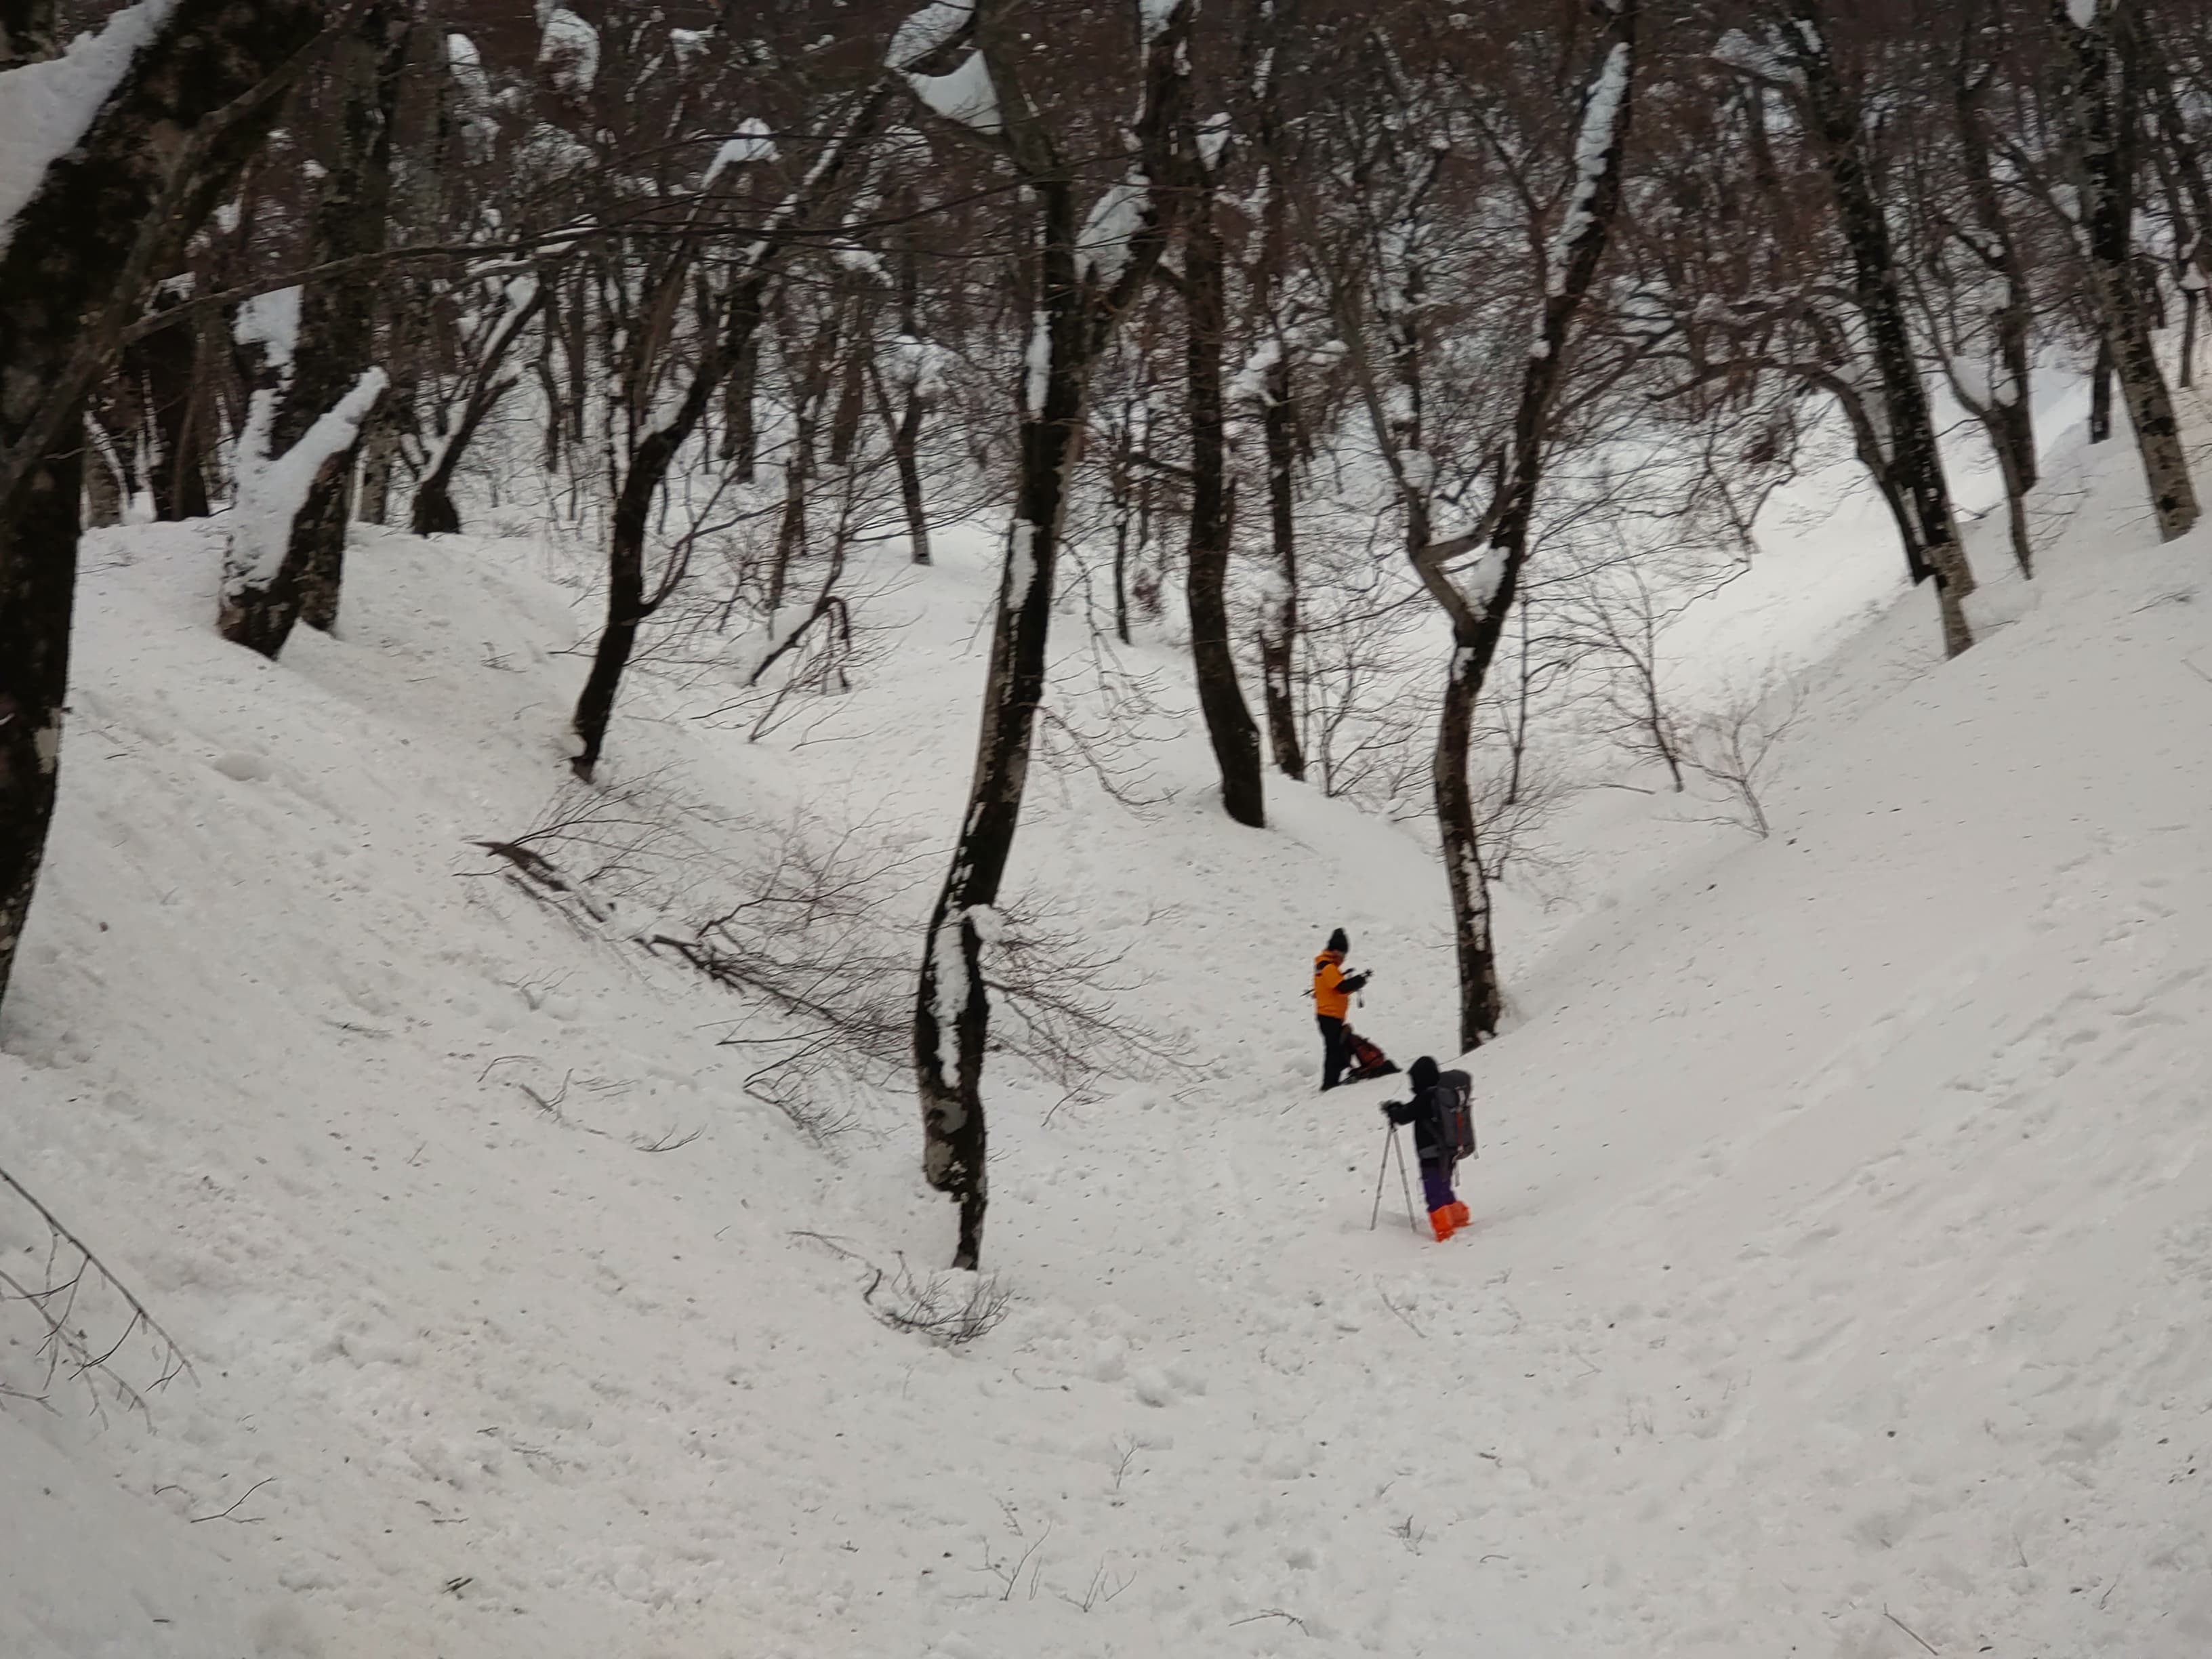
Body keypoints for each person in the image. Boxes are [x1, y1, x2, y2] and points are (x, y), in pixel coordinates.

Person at [1382, 1056, 1471, 1242]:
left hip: (1430, 1153)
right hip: (1449, 1150)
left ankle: (1444, 1231)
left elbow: (1405, 1115)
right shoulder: (1439, 1096)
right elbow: (1413, 1110)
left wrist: (1392, 1111)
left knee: (1433, 1191)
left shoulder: (1425, 1097)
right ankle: (1458, 1218)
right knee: (1444, 1187)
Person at [1311, 927, 1369, 1091]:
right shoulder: (1327, 967)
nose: (1343, 958)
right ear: (1336, 950)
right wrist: (1359, 981)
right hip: (1328, 1015)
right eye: (1343, 953)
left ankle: (1335, 1077)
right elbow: (1341, 987)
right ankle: (1330, 1083)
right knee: (1333, 1048)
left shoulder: (1326, 966)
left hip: (1331, 1015)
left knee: (1337, 1046)